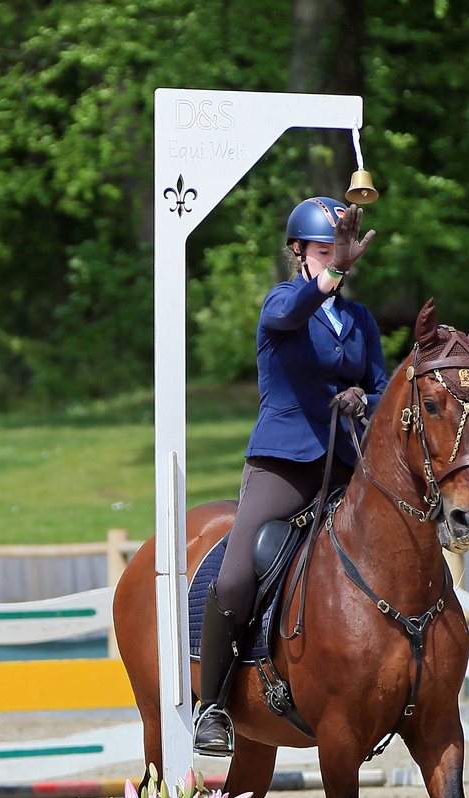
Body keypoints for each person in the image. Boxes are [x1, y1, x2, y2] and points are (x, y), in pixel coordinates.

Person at [192, 196, 386, 754]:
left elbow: (378, 383)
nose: (332, 262)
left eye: (339, 253)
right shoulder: (280, 304)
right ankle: (214, 708)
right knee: (232, 578)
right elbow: (295, 310)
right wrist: (335, 272)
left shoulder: (360, 320)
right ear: (299, 253)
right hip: (281, 463)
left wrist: (361, 400)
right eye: (323, 252)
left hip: (344, 463)